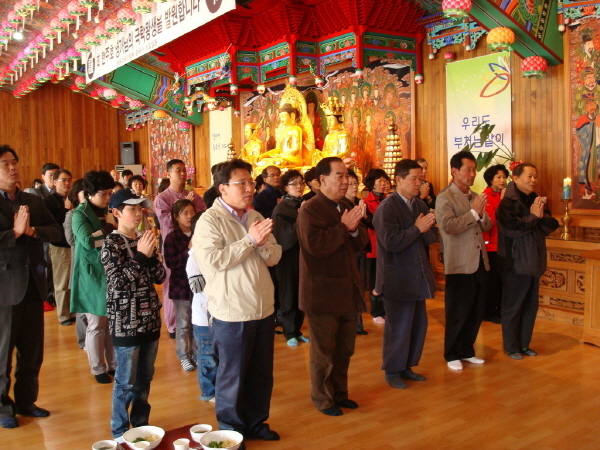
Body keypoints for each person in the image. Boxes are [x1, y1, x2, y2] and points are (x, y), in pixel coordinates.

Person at [192, 159, 282, 446]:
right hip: (232, 313)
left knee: (260, 374)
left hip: (263, 309)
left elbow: (275, 256)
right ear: (223, 188)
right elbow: (213, 262)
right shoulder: (209, 221)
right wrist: (249, 241)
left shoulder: (255, 214)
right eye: (241, 182)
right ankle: (231, 433)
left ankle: (256, 423)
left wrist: (263, 243)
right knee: (232, 378)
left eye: (250, 182)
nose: (249, 188)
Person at [297, 157, 368, 416]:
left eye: (346, 175)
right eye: (339, 175)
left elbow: (361, 243)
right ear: (322, 180)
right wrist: (344, 227)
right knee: (323, 351)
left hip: (347, 289)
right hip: (322, 293)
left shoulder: (346, 205)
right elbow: (315, 247)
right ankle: (323, 399)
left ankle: (340, 393)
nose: (345, 180)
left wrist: (352, 230)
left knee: (344, 349)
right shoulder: (311, 209)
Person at [0, 146, 63, 429]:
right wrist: (13, 233)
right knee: (2, 353)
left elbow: (57, 231)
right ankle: (3, 407)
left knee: (32, 352)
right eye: (5, 164)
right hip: (4, 289)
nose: (13, 168)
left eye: (14, 162)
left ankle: (26, 401)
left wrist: (33, 231)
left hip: (34, 285)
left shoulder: (32, 200)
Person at [101, 189, 166, 438]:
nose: (138, 214)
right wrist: (140, 256)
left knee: (145, 379)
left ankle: (140, 424)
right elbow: (117, 283)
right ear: (116, 213)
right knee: (125, 381)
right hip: (125, 322)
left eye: (140, 209)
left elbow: (160, 277)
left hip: (149, 319)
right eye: (132, 209)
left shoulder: (144, 238)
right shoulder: (112, 243)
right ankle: (119, 431)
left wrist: (148, 256)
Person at [373, 159, 437, 389]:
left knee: (417, 324)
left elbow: (431, 238)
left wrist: (428, 228)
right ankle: (392, 370)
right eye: (414, 178)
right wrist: (417, 228)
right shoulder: (387, 208)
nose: (419, 183)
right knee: (398, 326)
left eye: (421, 178)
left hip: (418, 273)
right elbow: (390, 242)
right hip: (396, 276)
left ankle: (408, 365)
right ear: (398, 179)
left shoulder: (419, 204)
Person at [435, 151, 491, 371]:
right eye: (467, 169)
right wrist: (474, 214)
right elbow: (448, 226)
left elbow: (485, 227)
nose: (472, 173)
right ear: (454, 171)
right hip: (459, 263)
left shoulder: (474, 196)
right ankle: (452, 353)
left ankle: (467, 350)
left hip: (479, 261)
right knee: (458, 311)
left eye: (474, 169)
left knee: (476, 310)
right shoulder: (445, 197)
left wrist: (482, 214)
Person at [496, 163, 559, 359]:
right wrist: (533, 218)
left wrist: (536, 219)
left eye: (536, 176)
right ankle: (512, 347)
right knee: (513, 306)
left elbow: (550, 224)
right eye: (529, 176)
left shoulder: (536, 199)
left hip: (534, 261)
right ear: (515, 178)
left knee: (530, 306)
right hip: (515, 263)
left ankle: (524, 344)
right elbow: (512, 229)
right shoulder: (507, 203)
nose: (534, 180)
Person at [71, 170, 118, 384]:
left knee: (110, 320)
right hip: (91, 273)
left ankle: (113, 364)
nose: (107, 198)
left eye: (109, 193)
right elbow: (89, 241)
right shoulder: (79, 214)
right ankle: (98, 368)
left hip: (109, 270)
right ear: (89, 194)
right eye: (103, 194)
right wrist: (109, 227)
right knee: (97, 322)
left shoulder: (108, 210)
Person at [154, 159, 206, 338]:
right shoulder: (162, 198)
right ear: (169, 174)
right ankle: (173, 325)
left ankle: (195, 320)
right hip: (174, 245)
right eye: (178, 171)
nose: (183, 174)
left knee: (195, 280)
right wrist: (183, 205)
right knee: (173, 284)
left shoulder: (194, 196)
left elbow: (202, 217)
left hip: (195, 243)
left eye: (184, 170)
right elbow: (166, 222)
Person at [272, 169, 310, 347]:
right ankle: (289, 332)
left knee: (300, 294)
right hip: (287, 258)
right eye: (294, 183)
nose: (299, 186)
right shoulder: (282, 208)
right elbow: (284, 236)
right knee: (288, 295)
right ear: (285, 187)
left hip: (303, 257)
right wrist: (301, 217)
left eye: (301, 182)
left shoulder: (304, 204)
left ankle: (297, 330)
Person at [164, 199, 197, 371]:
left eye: (192, 212)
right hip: (180, 287)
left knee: (198, 322)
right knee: (183, 324)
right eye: (185, 213)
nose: (190, 216)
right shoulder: (172, 237)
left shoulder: (199, 233)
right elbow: (171, 263)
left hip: (199, 286)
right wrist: (188, 250)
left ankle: (198, 354)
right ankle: (184, 355)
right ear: (176, 217)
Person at [187, 212, 217, 403]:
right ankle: (208, 391)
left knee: (217, 354)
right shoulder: (194, 257)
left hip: (218, 312)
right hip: (203, 315)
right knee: (207, 355)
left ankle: (217, 389)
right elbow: (196, 286)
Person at [43, 169, 74, 326]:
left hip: (74, 245)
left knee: (73, 281)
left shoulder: (73, 198)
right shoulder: (48, 201)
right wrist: (66, 209)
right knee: (62, 283)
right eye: (63, 180)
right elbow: (53, 224)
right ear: (54, 183)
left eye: (69, 179)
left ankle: (73, 310)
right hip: (59, 246)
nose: (67, 183)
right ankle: (63, 315)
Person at [363, 168, 391, 324]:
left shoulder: (388, 199)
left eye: (384, 180)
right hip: (374, 248)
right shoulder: (367, 203)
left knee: (388, 280)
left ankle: (387, 309)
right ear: (371, 184)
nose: (383, 184)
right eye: (379, 181)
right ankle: (376, 312)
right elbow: (375, 224)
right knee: (375, 281)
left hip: (388, 246)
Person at [482, 164, 509, 324]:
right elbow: (491, 221)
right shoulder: (486, 196)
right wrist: (504, 203)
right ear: (490, 179)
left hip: (504, 245)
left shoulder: (504, 195)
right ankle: (489, 312)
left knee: (502, 281)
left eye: (504, 177)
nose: (502, 180)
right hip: (490, 246)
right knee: (492, 282)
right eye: (498, 177)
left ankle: (500, 310)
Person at [64, 179, 88, 350]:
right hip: (80, 261)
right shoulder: (73, 215)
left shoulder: (98, 213)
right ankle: (83, 341)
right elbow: (71, 239)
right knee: (82, 307)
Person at [345, 169, 368, 336]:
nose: (354, 187)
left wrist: (364, 218)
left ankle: (358, 324)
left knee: (360, 286)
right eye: (350, 184)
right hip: (347, 254)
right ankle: (353, 324)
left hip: (361, 250)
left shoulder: (360, 203)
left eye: (356, 183)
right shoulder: (340, 206)